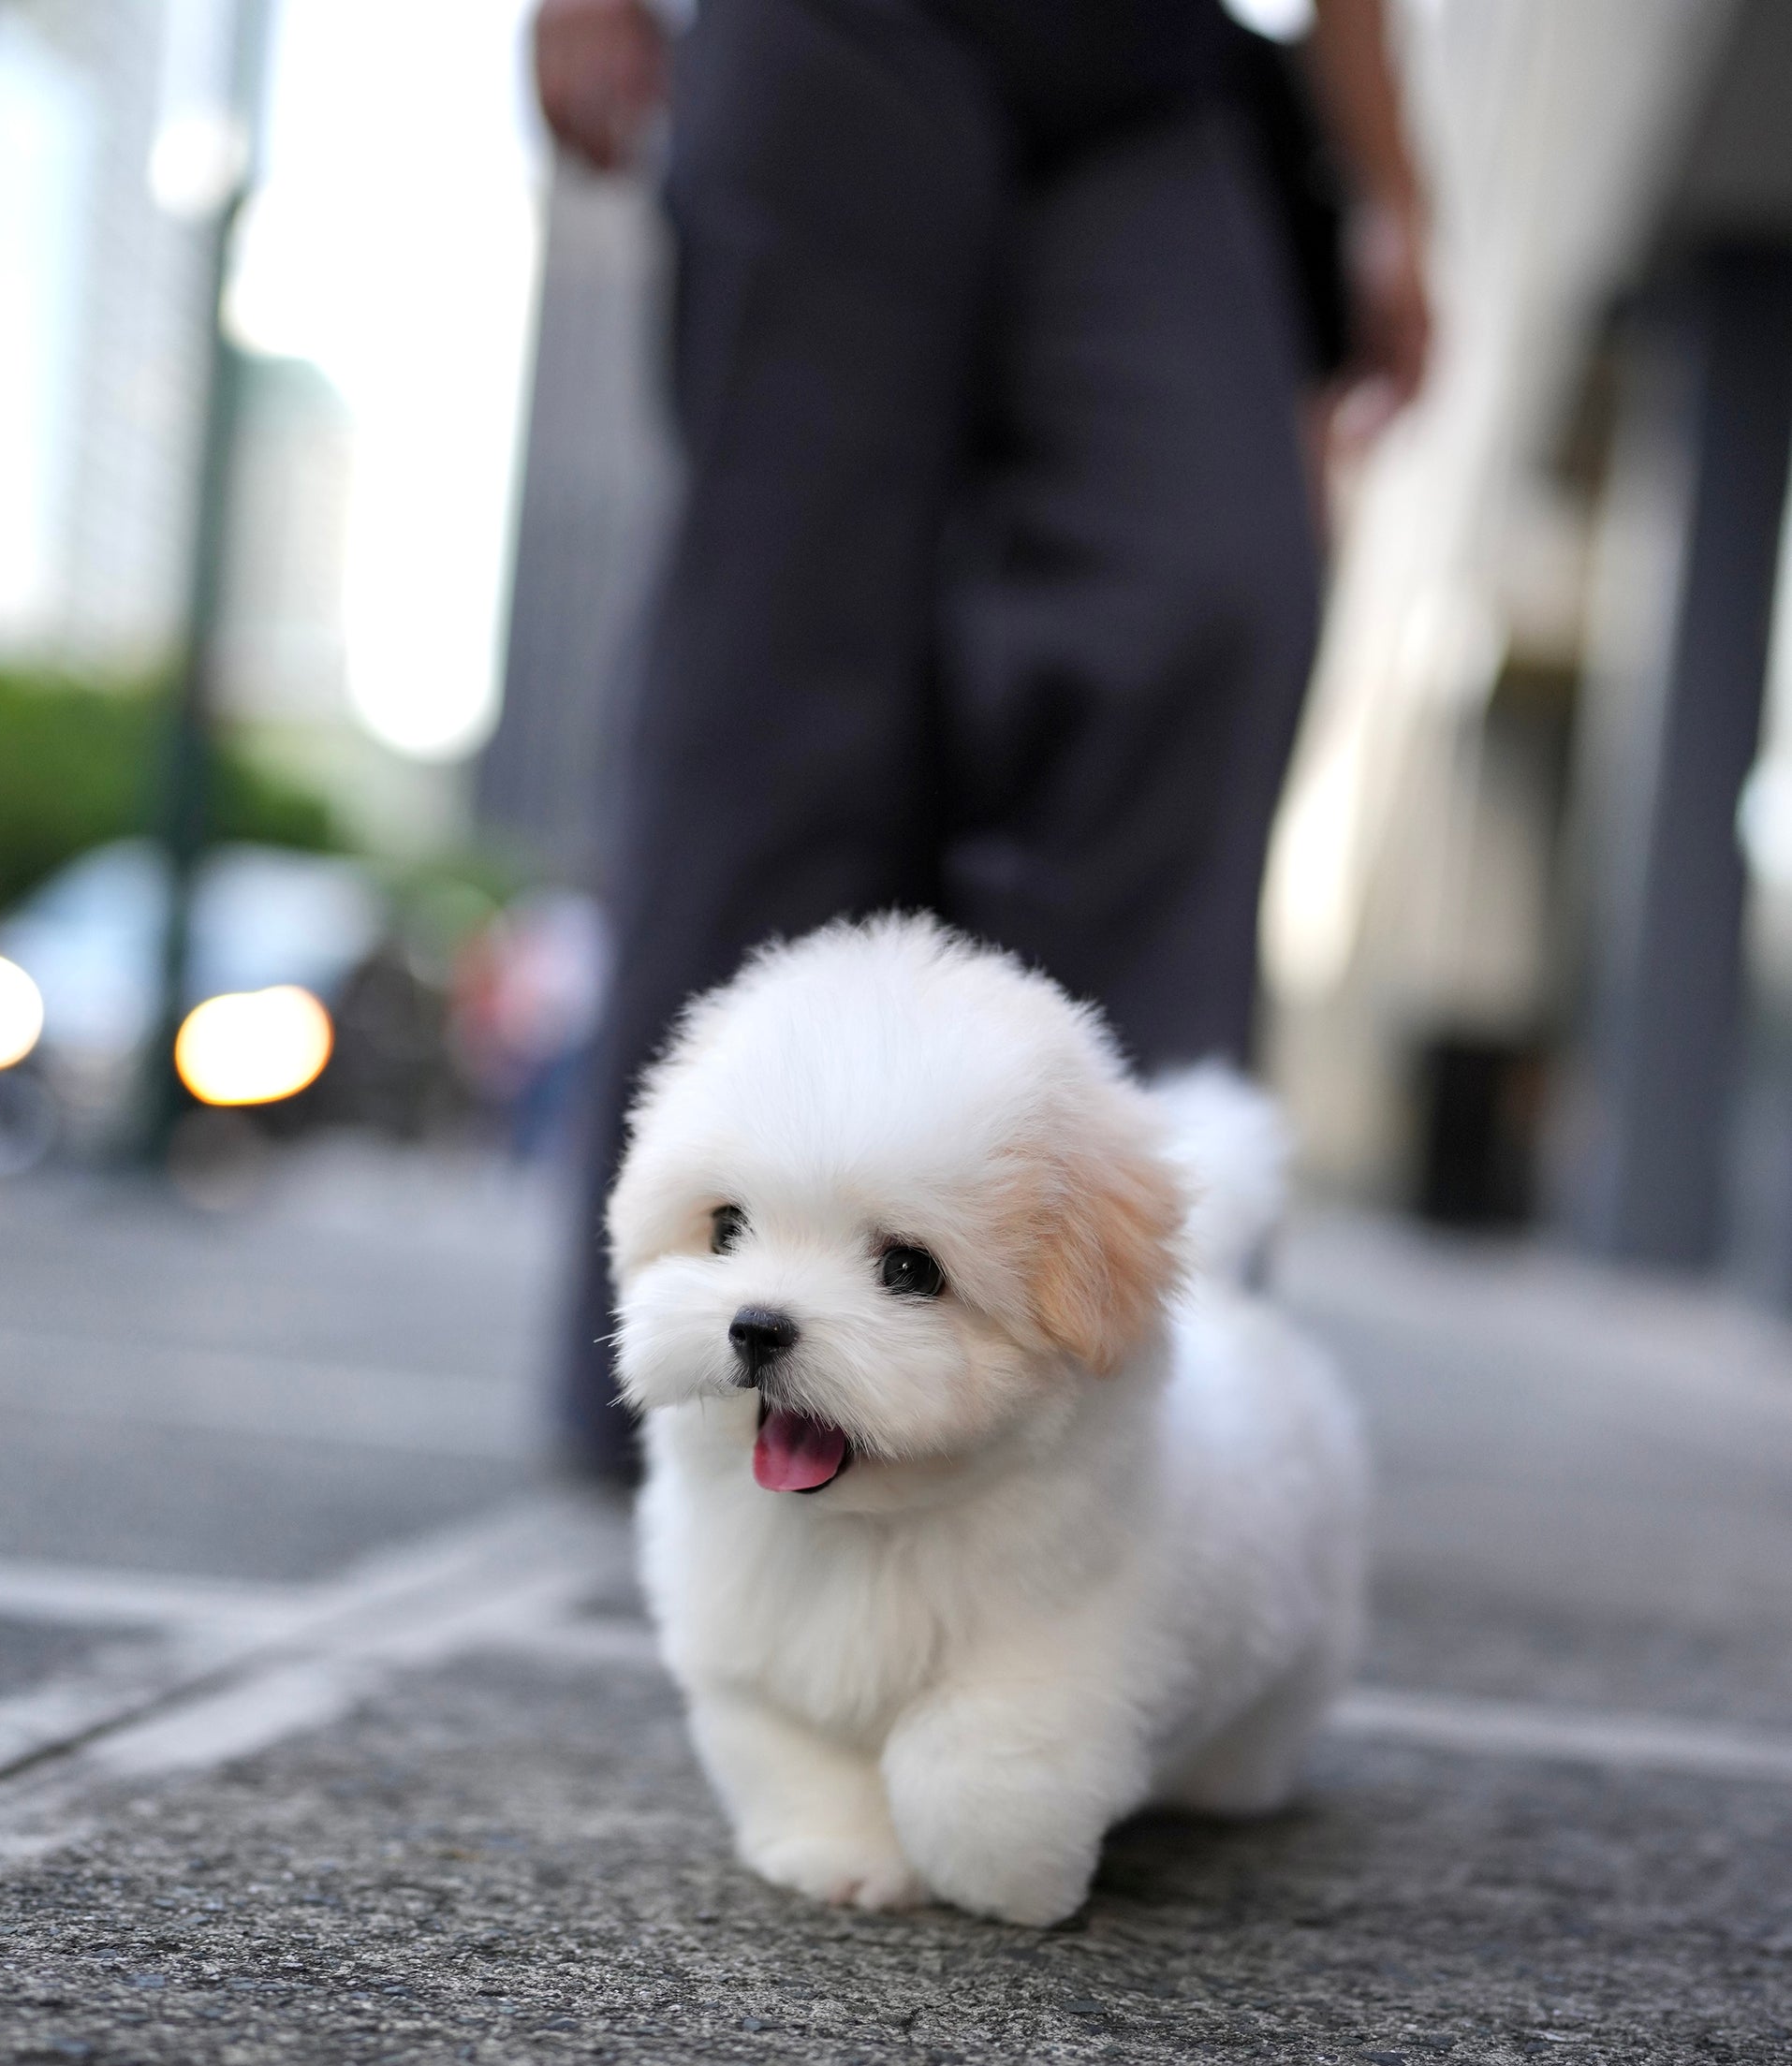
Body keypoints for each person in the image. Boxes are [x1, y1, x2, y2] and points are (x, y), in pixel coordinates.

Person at [536, 0, 1430, 1478]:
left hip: (1151, 76)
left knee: (1209, 592)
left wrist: (1388, 185)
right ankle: (697, 1370)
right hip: (831, 36)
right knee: (789, 669)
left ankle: (1126, 1367)